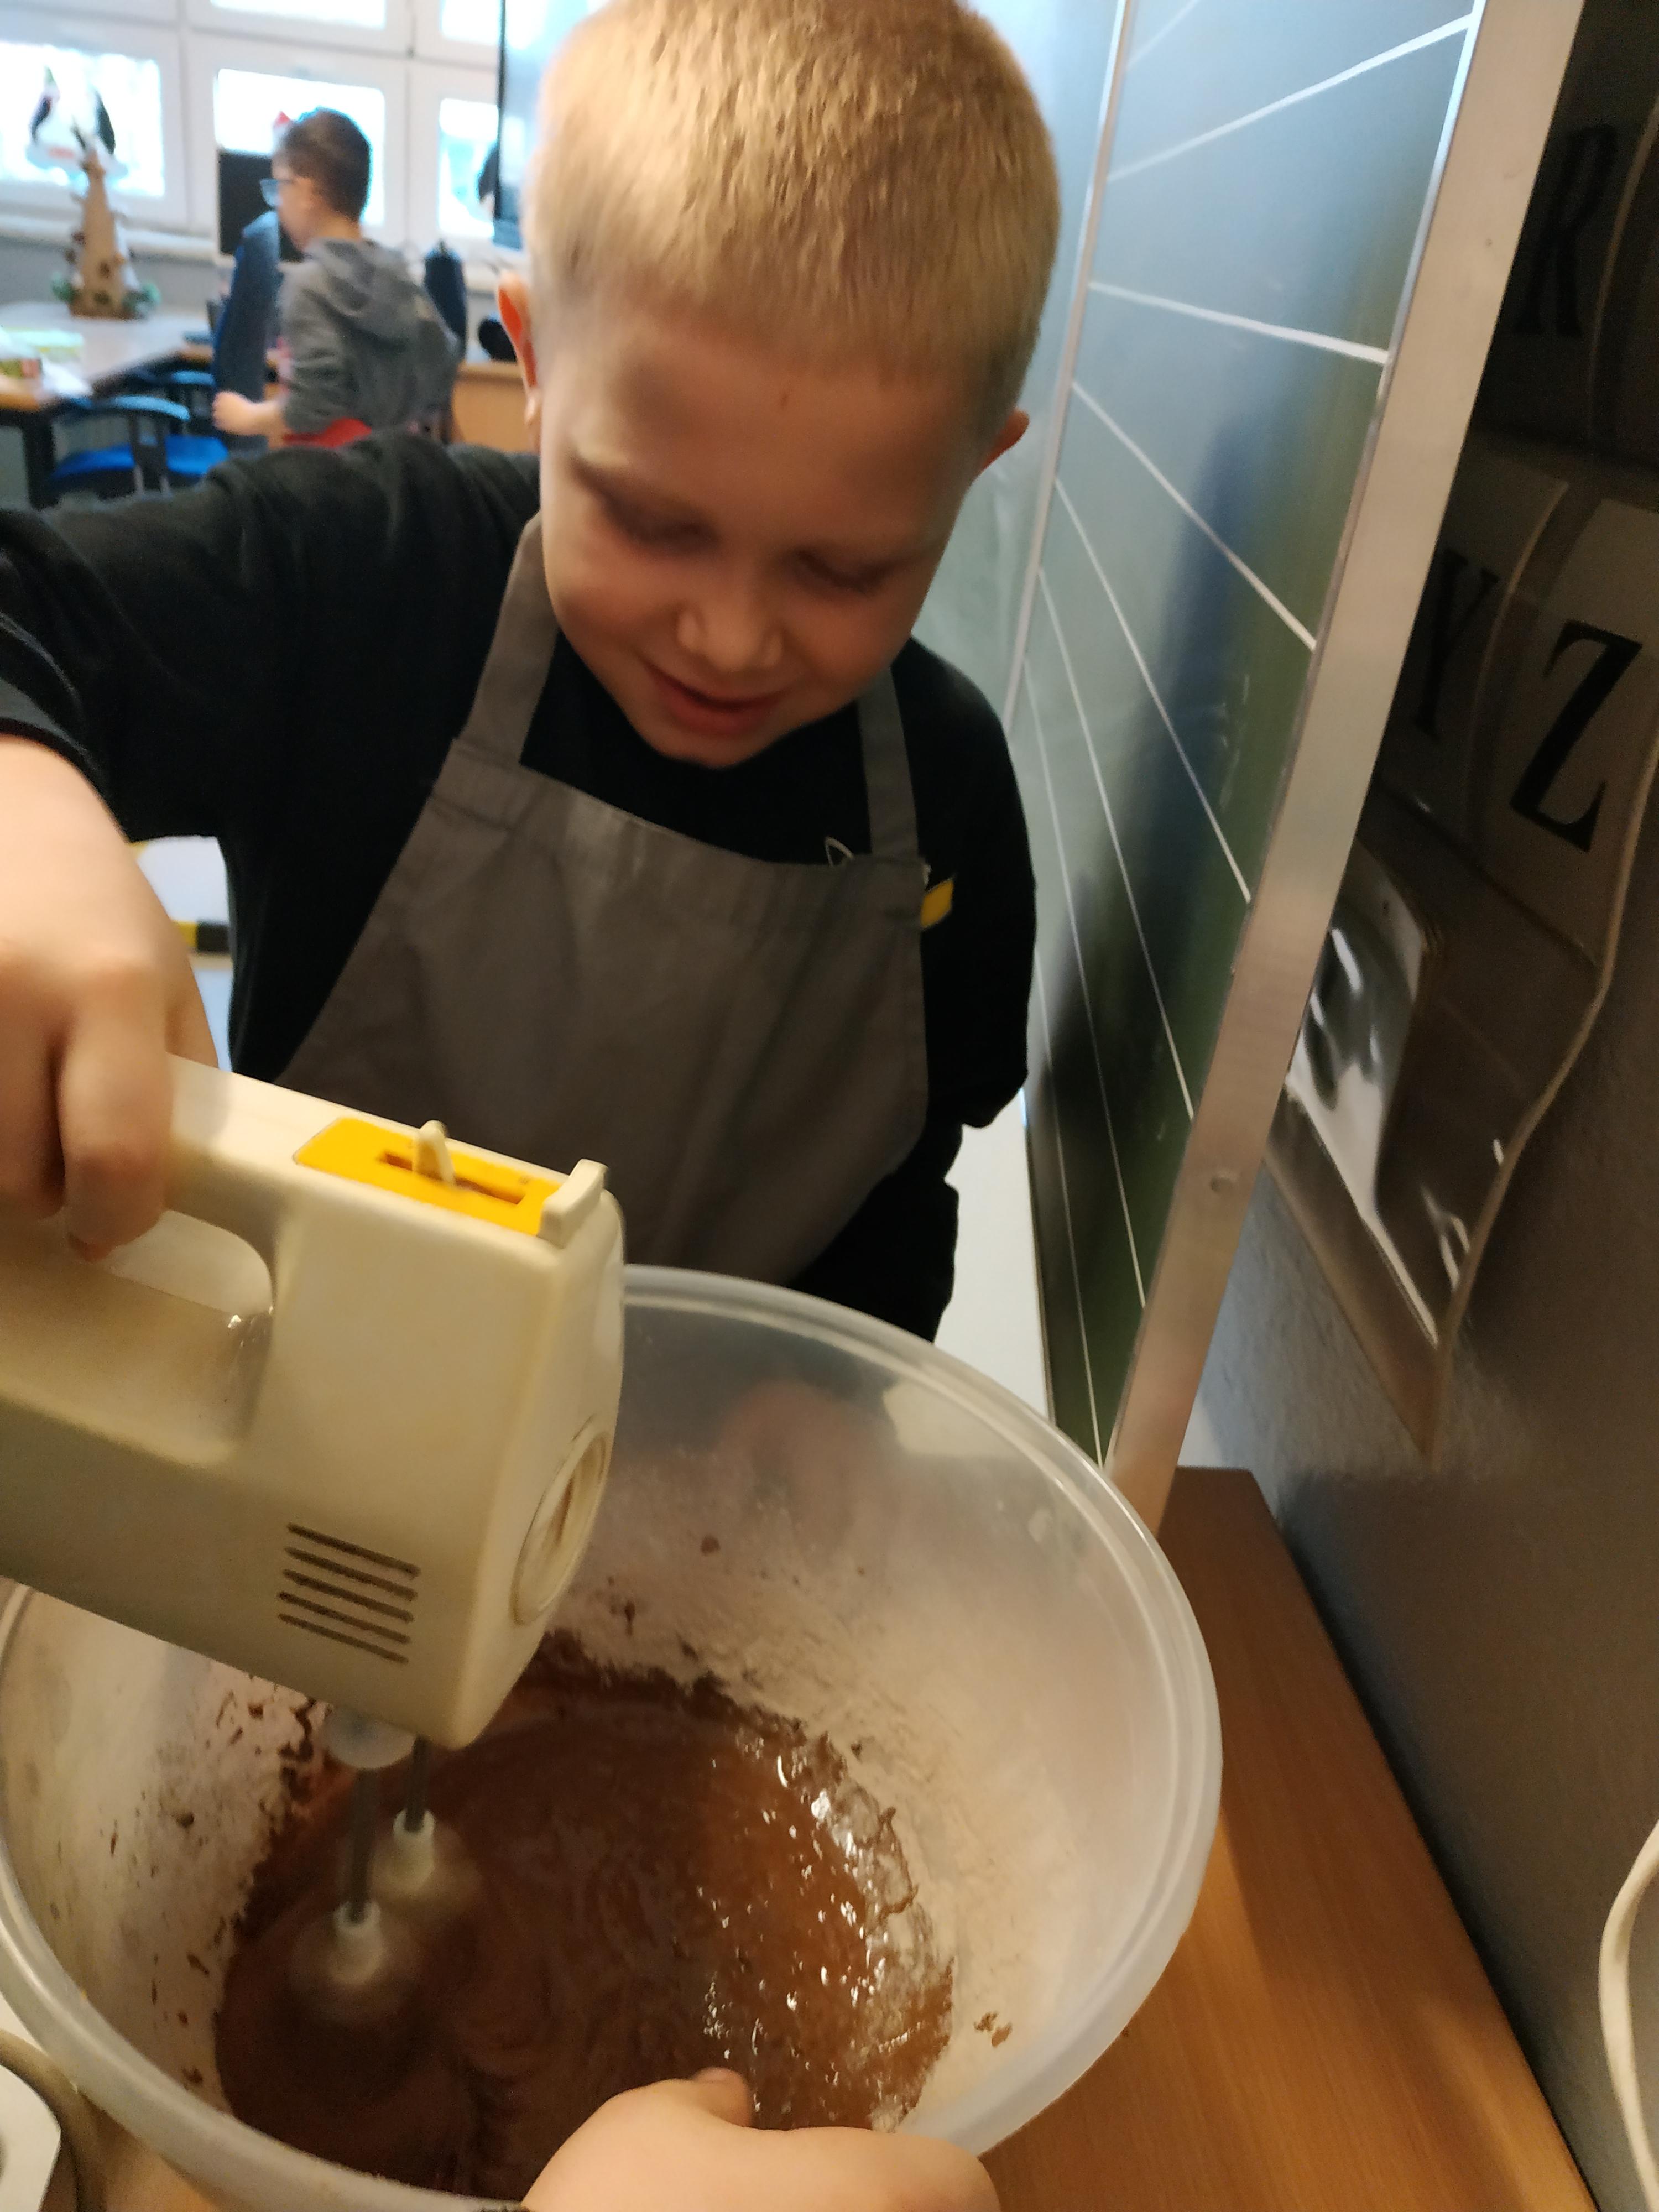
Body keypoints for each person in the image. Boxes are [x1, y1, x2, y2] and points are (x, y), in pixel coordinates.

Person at [0, 0, 1053, 2189]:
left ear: (981, 466)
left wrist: (841, 1392)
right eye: (650, 518)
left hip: (666, 1522)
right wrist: (24, 807)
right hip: (299, 1500)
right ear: (532, 355)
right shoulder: (372, 584)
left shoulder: (943, 796)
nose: (734, 637)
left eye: (844, 567)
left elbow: (907, 1162)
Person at [213, 108, 460, 446]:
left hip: (324, 471)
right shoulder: (397, 273)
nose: (278, 204)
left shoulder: (309, 287)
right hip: (391, 464)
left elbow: (311, 406)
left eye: (280, 187)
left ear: (307, 193)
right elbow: (444, 358)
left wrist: (249, 417)